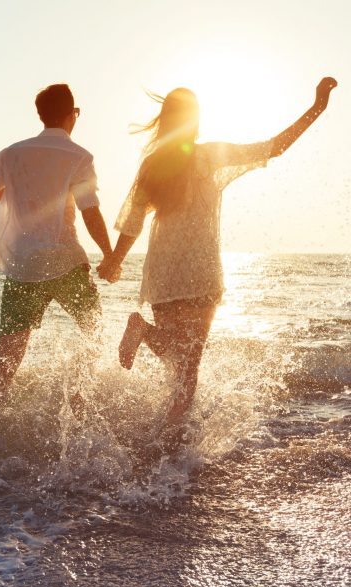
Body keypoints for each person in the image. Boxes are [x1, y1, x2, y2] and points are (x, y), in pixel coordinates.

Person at [97, 77, 338, 426]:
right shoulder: (210, 157)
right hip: (201, 273)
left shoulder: (152, 166)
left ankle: (148, 348)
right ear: (194, 120)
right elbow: (273, 147)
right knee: (187, 368)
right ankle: (173, 446)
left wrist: (116, 260)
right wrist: (316, 108)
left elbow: (132, 222)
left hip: (163, 273)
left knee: (175, 361)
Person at [0, 83, 116, 414]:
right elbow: (90, 210)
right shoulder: (79, 157)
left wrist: (16, 192)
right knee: (95, 335)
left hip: (23, 267)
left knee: (9, 356)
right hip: (66, 262)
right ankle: (80, 400)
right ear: (71, 115)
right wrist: (110, 255)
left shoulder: (11, 154)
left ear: (41, 115)